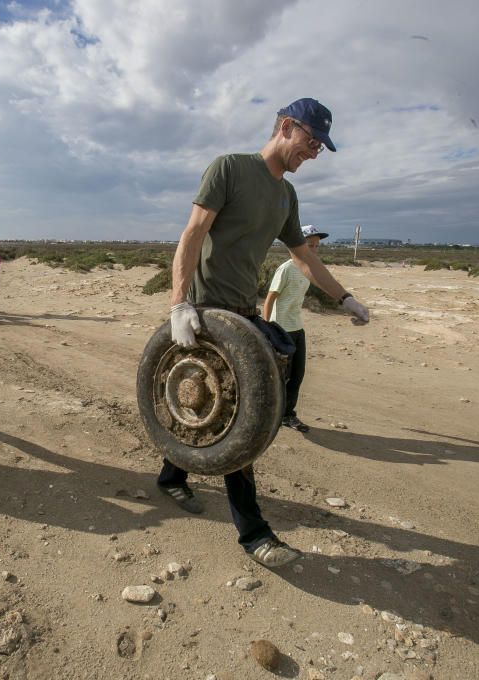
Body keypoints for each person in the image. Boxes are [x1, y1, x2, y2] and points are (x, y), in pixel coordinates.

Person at [157, 98, 370, 569]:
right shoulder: (229, 169)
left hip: (242, 312)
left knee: (207, 410)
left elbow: (304, 257)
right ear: (287, 127)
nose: (314, 153)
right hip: (204, 314)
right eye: (311, 141)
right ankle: (254, 533)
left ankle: (171, 474)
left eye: (321, 147)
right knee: (239, 419)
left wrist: (344, 297)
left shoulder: (286, 197)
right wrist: (179, 304)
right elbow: (192, 234)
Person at [263, 224, 331, 433]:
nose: (313, 249)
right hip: (281, 328)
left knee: (298, 374)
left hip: (297, 327)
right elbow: (269, 299)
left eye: (316, 246)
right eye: (309, 245)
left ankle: (286, 415)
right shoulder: (286, 269)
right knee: (282, 375)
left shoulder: (308, 269)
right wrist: (268, 331)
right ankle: (277, 415)